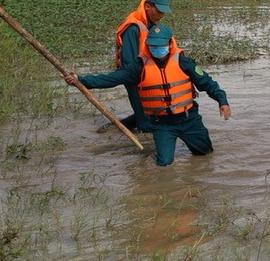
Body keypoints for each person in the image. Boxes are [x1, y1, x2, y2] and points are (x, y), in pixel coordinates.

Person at [65, 25, 231, 166]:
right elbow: (111, 79)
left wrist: (222, 100)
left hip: (189, 120)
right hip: (162, 124)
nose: (157, 49)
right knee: (164, 163)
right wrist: (80, 80)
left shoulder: (184, 62)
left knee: (205, 156)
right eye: (153, 45)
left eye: (160, 45)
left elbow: (207, 83)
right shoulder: (139, 66)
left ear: (169, 43)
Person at [114, 0, 174, 132]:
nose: (161, 15)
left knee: (152, 110)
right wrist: (143, 78)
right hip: (134, 77)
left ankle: (119, 127)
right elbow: (128, 61)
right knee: (145, 122)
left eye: (163, 12)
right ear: (147, 6)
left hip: (147, 76)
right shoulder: (133, 28)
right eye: (158, 11)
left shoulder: (151, 24)